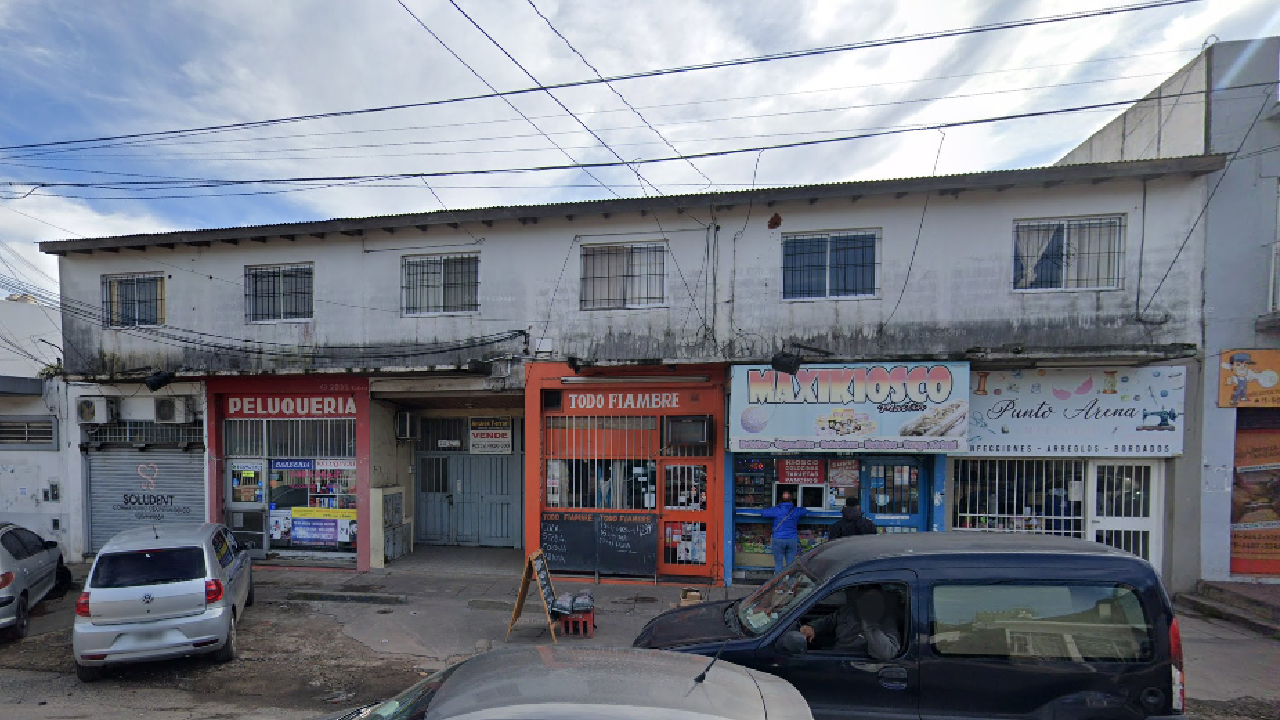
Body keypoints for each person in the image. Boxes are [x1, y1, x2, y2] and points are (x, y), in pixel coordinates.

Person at [799, 585, 901, 660]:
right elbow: (828, 622)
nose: (870, 604)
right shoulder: (848, 612)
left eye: (874, 600)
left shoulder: (886, 621)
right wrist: (812, 628)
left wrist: (870, 624)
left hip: (858, 667)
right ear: (858, 601)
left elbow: (887, 653)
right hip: (836, 657)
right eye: (866, 600)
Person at [760, 491, 809, 573]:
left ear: (780, 500)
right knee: (790, 565)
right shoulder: (796, 511)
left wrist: (776, 506)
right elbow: (805, 511)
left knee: (778, 564)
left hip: (778, 539)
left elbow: (763, 513)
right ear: (792, 500)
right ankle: (790, 580)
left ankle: (779, 581)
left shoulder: (776, 510)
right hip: (791, 539)